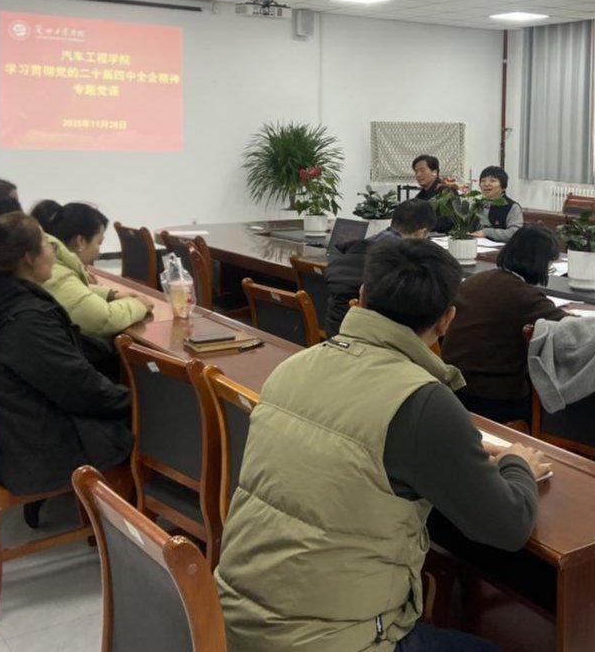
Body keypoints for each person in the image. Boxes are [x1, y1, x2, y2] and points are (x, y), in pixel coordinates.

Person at [216, 239, 547, 652]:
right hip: (332, 641)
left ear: (362, 295)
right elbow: (509, 525)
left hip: (231, 622)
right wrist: (517, 462)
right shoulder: (422, 401)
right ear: (447, 319)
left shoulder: (294, 366)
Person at [0, 213, 132, 524]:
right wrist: (137, 402)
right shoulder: (24, 317)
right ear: (29, 258)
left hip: (12, 432)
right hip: (37, 449)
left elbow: (61, 361)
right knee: (151, 418)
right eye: (47, 245)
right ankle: (135, 524)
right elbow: (81, 390)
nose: (53, 253)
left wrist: (107, 350)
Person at [442, 225, 567, 424]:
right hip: (495, 397)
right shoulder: (525, 296)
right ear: (540, 263)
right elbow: (569, 329)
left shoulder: (474, 281)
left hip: (453, 388)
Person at [40, 202, 151, 339]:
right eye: (99, 242)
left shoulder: (52, 261)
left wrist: (110, 295)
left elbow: (74, 293)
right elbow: (104, 319)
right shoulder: (55, 272)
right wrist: (139, 305)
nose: (99, 251)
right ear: (80, 241)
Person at [324, 199, 435, 334]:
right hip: (376, 341)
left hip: (336, 335)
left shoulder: (346, 256)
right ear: (421, 233)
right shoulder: (399, 269)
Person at [467, 165, 524, 242]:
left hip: (501, 247)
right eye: (483, 181)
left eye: (492, 181)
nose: (486, 184)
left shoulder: (512, 207)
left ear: (503, 186)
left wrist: (487, 232)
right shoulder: (477, 204)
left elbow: (515, 233)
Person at [411, 154, 452, 234]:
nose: (418, 175)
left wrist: (421, 224)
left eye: (422, 170)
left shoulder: (447, 192)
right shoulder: (420, 196)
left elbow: (448, 222)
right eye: (416, 171)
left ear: (434, 172)